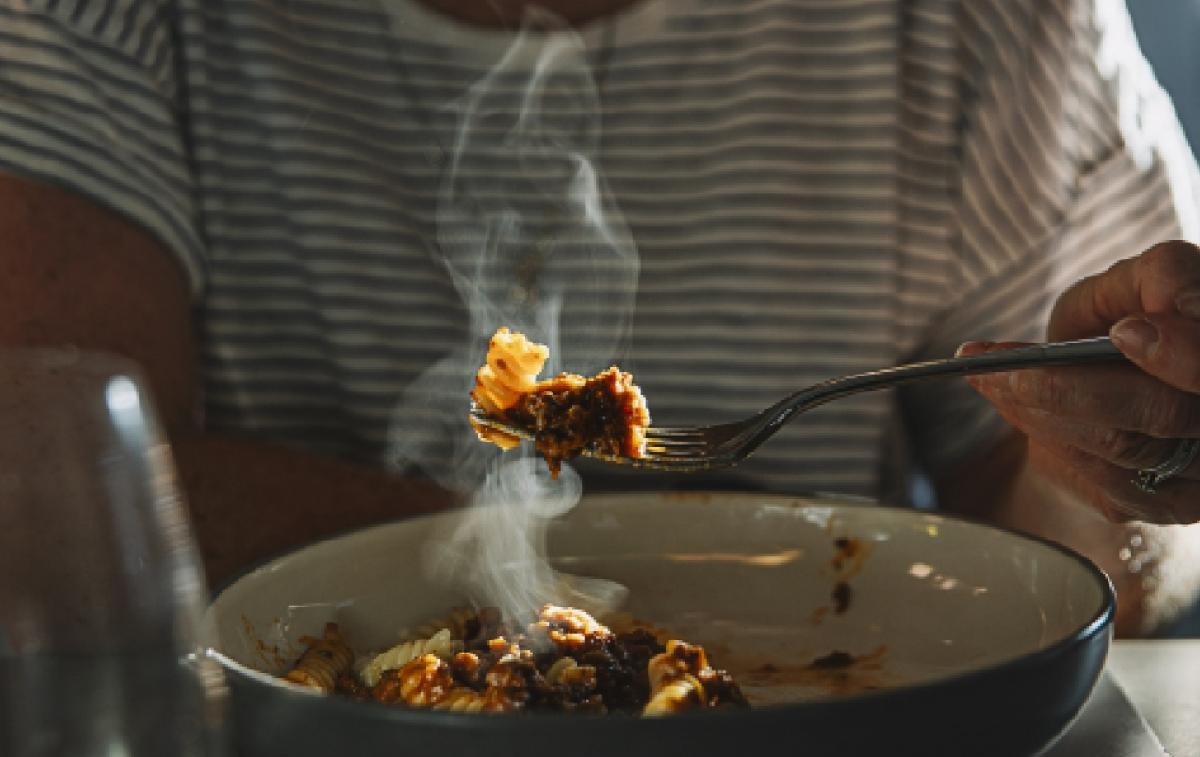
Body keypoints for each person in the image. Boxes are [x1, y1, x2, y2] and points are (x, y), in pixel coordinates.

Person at [2, 0, 1199, 636]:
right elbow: (37, 500)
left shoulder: (983, 19)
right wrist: (642, 576)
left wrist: (1123, 457)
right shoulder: (104, 14)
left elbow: (1100, 565)